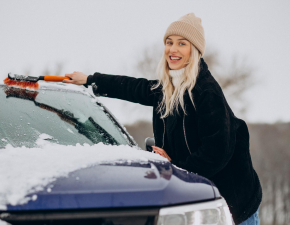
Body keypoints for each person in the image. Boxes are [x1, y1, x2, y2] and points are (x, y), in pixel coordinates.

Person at [64, 13, 262, 225]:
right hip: (199, 200)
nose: (172, 49)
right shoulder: (167, 88)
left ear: (193, 51)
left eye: (181, 43)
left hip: (234, 203)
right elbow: (133, 87)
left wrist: (173, 166)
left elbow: (216, 152)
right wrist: (90, 80)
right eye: (169, 42)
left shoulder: (206, 92)